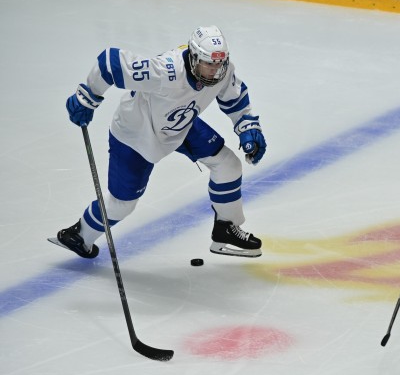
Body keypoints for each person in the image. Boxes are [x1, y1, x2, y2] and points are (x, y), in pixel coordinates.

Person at [51, 25, 266, 258]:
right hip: (136, 134)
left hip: (180, 124)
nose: (214, 71)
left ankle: (226, 228)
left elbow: (236, 101)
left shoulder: (222, 70)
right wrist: (87, 95)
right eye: (208, 64)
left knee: (228, 164)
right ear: (194, 57)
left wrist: (248, 128)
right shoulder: (167, 70)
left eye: (219, 64)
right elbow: (110, 63)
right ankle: (80, 236)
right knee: (123, 204)